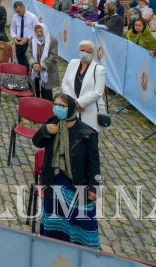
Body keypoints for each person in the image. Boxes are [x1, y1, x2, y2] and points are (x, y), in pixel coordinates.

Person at [32, 91, 101, 248]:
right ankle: (52, 245)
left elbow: (94, 162)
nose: (57, 108)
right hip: (53, 180)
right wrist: (44, 131)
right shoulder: (52, 124)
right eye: (55, 105)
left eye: (62, 106)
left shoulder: (87, 133)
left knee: (81, 221)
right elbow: (37, 142)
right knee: (54, 219)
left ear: (70, 108)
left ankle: (81, 252)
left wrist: (94, 187)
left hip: (77, 184)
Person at [59, 41, 104, 173]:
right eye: (82, 50)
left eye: (88, 51)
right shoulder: (73, 63)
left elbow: (98, 92)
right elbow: (65, 84)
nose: (84, 53)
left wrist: (80, 102)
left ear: (93, 53)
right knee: (72, 142)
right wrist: (74, 103)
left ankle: (92, 178)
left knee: (91, 149)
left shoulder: (99, 70)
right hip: (72, 111)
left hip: (89, 113)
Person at [28, 22, 60, 101]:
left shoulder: (52, 41)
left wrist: (42, 66)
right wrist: (33, 64)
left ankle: (48, 109)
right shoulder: (32, 39)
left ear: (44, 31)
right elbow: (28, 52)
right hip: (35, 69)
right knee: (36, 89)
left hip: (47, 70)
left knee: (47, 92)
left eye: (40, 31)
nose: (38, 33)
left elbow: (53, 55)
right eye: (37, 31)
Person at [10, 0, 38, 68]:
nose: (18, 13)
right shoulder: (15, 17)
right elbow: (12, 29)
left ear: (23, 7)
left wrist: (28, 38)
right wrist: (14, 37)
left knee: (28, 62)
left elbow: (36, 30)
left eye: (19, 11)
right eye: (16, 12)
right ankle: (22, 77)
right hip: (18, 43)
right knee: (20, 62)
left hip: (29, 43)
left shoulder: (32, 17)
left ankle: (28, 76)